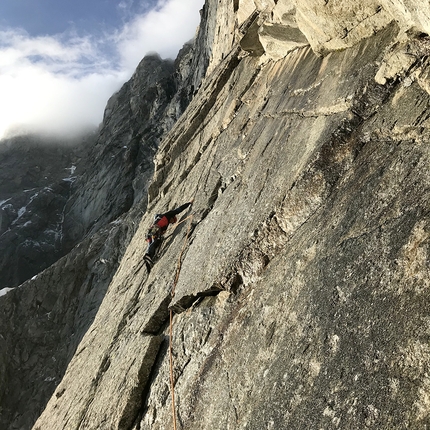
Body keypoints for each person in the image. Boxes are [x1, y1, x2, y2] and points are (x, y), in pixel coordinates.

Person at [144, 200, 193, 270]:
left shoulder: (163, 222)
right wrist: (188, 203)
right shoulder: (168, 215)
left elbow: (157, 218)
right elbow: (178, 210)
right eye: (173, 221)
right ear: (173, 218)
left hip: (152, 230)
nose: (172, 223)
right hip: (155, 229)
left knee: (154, 244)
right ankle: (147, 255)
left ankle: (148, 263)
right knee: (154, 241)